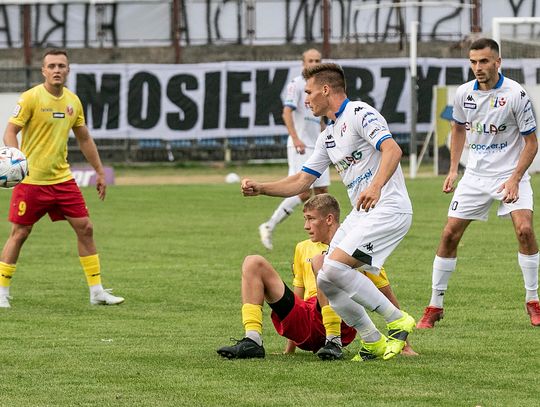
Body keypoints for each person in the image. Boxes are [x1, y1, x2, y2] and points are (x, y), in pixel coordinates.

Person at [242, 63, 415, 361]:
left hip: (388, 207)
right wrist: (262, 187)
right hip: (362, 213)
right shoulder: (328, 135)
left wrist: (375, 187)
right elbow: (301, 180)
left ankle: (397, 319)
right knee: (323, 273)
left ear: (325, 89)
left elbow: (393, 150)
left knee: (333, 268)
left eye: (308, 92)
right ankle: (372, 340)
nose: (305, 99)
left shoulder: (360, 113)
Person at [417, 38, 540, 328]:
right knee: (449, 235)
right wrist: (452, 170)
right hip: (475, 176)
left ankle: (533, 300)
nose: (477, 67)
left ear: (498, 62)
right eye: (473, 62)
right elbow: (457, 129)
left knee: (524, 230)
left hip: (511, 174)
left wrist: (515, 179)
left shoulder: (516, 94)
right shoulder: (462, 94)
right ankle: (435, 305)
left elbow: (531, 144)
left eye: (484, 61)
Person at [217, 194, 416, 360]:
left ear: (329, 219)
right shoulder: (302, 247)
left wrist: (404, 344)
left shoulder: (356, 246)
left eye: (311, 218)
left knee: (321, 261)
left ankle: (333, 341)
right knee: (253, 262)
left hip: (340, 321)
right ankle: (253, 340)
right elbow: (299, 295)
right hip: (309, 317)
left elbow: (385, 293)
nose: (306, 225)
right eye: (305, 219)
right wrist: (290, 349)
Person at [0, 48, 124, 308]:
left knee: (86, 229)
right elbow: (10, 131)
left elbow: (84, 138)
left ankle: (97, 292)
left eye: (62, 66)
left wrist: (100, 172)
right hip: (32, 181)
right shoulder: (31, 98)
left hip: (62, 180)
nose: (57, 70)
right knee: (20, 233)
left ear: (68, 70)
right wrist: (16, 161)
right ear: (43, 71)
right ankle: (2, 292)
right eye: (52, 66)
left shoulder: (72, 101)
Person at [258, 48, 331, 250]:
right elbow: (286, 112)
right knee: (303, 191)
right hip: (301, 145)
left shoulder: (321, 86)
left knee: (323, 191)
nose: (314, 63)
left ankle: (324, 240)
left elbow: (320, 118)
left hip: (317, 145)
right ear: (303, 63)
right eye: (311, 60)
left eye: (318, 59)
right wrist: (295, 138)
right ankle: (269, 225)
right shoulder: (296, 84)